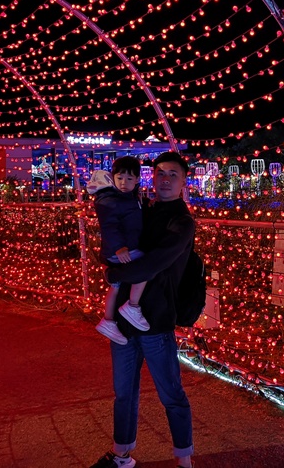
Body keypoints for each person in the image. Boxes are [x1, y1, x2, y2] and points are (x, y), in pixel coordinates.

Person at [91, 151, 195, 468]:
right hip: (124, 324)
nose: (164, 179)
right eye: (159, 173)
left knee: (171, 396)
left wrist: (113, 273)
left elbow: (152, 263)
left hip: (156, 323)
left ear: (183, 181)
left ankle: (185, 461)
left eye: (172, 174)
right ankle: (122, 455)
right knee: (124, 395)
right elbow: (113, 240)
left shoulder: (182, 222)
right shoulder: (140, 208)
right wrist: (106, 256)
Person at [88, 156, 150, 346]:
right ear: (112, 178)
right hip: (121, 251)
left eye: (129, 179)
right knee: (145, 268)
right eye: (120, 178)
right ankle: (132, 306)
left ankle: (108, 320)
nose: (124, 183)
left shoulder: (126, 198)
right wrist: (120, 247)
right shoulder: (112, 201)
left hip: (117, 251)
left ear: (138, 179)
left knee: (114, 287)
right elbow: (109, 226)